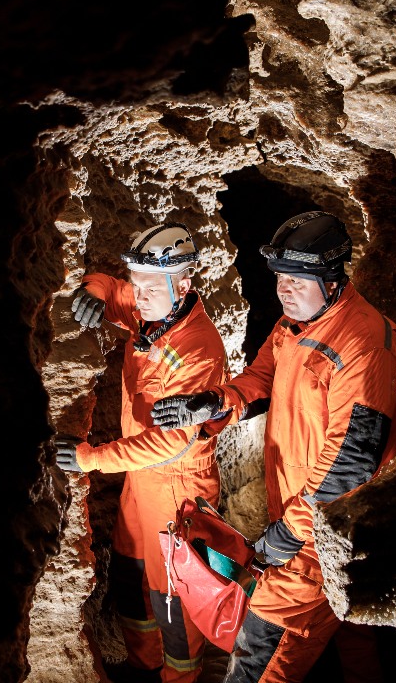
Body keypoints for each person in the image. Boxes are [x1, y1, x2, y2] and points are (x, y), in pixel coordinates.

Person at [150, 211, 396, 683]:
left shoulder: (364, 344)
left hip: (329, 527)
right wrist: (213, 403)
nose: (284, 290)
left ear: (331, 281)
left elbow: (353, 459)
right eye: (281, 279)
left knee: (262, 649)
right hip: (297, 507)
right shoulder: (295, 324)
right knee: (350, 624)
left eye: (297, 280)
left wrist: (292, 531)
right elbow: (262, 379)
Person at [55, 222, 230, 683]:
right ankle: (142, 667)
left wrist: (93, 458)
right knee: (132, 585)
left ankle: (180, 677)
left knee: (171, 599)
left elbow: (174, 442)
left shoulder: (198, 348)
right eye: (138, 283)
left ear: (184, 284)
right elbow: (109, 287)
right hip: (140, 482)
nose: (139, 293)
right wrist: (93, 292)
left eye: (149, 286)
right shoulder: (153, 309)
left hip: (178, 489)